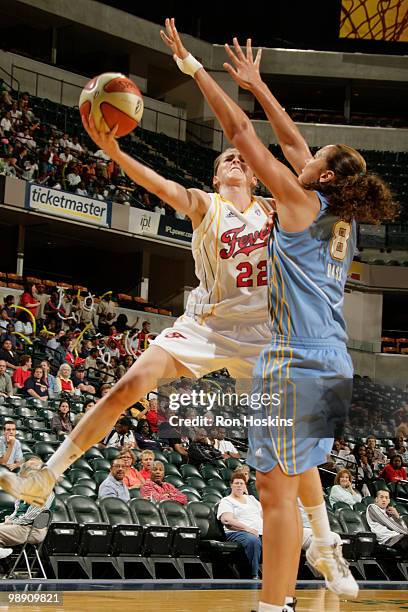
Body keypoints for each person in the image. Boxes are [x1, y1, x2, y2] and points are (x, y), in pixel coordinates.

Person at [159, 19, 396, 607]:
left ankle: (275, 602)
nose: (306, 156)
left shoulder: (296, 202)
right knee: (284, 484)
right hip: (331, 360)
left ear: (328, 176)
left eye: (318, 158)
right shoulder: (343, 216)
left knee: (273, 494)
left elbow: (242, 134)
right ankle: (320, 550)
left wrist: (199, 72)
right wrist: (260, 85)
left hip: (294, 361)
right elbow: (293, 144)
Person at [0, 40, 274, 513]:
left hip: (262, 334)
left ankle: (318, 535)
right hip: (204, 327)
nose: (236, 159)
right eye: (227, 157)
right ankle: (48, 475)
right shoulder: (207, 206)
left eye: (243, 159)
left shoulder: (275, 210)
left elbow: (289, 153)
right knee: (124, 387)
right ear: (214, 178)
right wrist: (116, 153)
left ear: (256, 176)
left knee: (278, 444)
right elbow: (162, 186)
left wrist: (256, 87)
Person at [0, 456, 54, 560]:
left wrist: (13, 521)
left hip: (33, 530)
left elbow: (30, 517)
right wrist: (10, 518)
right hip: (20, 526)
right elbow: (16, 511)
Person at [217, 472, 263, 579]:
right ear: (231, 485)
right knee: (253, 540)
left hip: (259, 531)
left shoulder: (251, 499)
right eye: (236, 483)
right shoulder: (226, 501)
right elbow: (227, 520)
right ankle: (253, 575)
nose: (239, 485)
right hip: (237, 532)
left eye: (241, 483)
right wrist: (248, 529)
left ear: (245, 486)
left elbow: (264, 515)